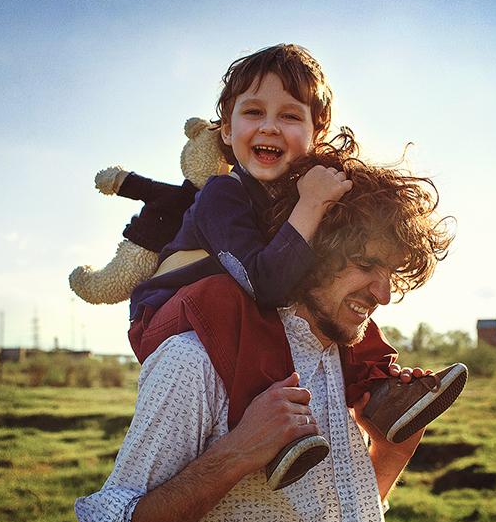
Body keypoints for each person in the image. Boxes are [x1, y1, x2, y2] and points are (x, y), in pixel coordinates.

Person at [75, 149, 455, 522]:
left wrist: (390, 454)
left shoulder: (349, 361)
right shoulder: (196, 358)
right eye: (364, 265)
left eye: (392, 274)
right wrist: (237, 453)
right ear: (309, 243)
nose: (382, 293)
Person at [127, 44, 445, 490]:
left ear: (319, 131)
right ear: (225, 130)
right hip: (169, 316)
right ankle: (277, 435)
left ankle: (382, 393)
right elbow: (265, 284)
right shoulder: (223, 195)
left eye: (291, 116)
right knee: (229, 295)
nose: (270, 126)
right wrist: (313, 202)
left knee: (333, 293)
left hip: (235, 309)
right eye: (253, 112)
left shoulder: (292, 196)